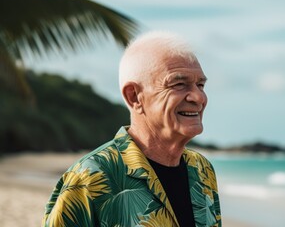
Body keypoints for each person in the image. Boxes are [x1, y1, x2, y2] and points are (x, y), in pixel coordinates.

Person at [42, 31, 222, 227]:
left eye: (200, 85)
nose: (198, 98)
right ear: (134, 97)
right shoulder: (90, 176)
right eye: (179, 84)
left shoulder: (202, 169)